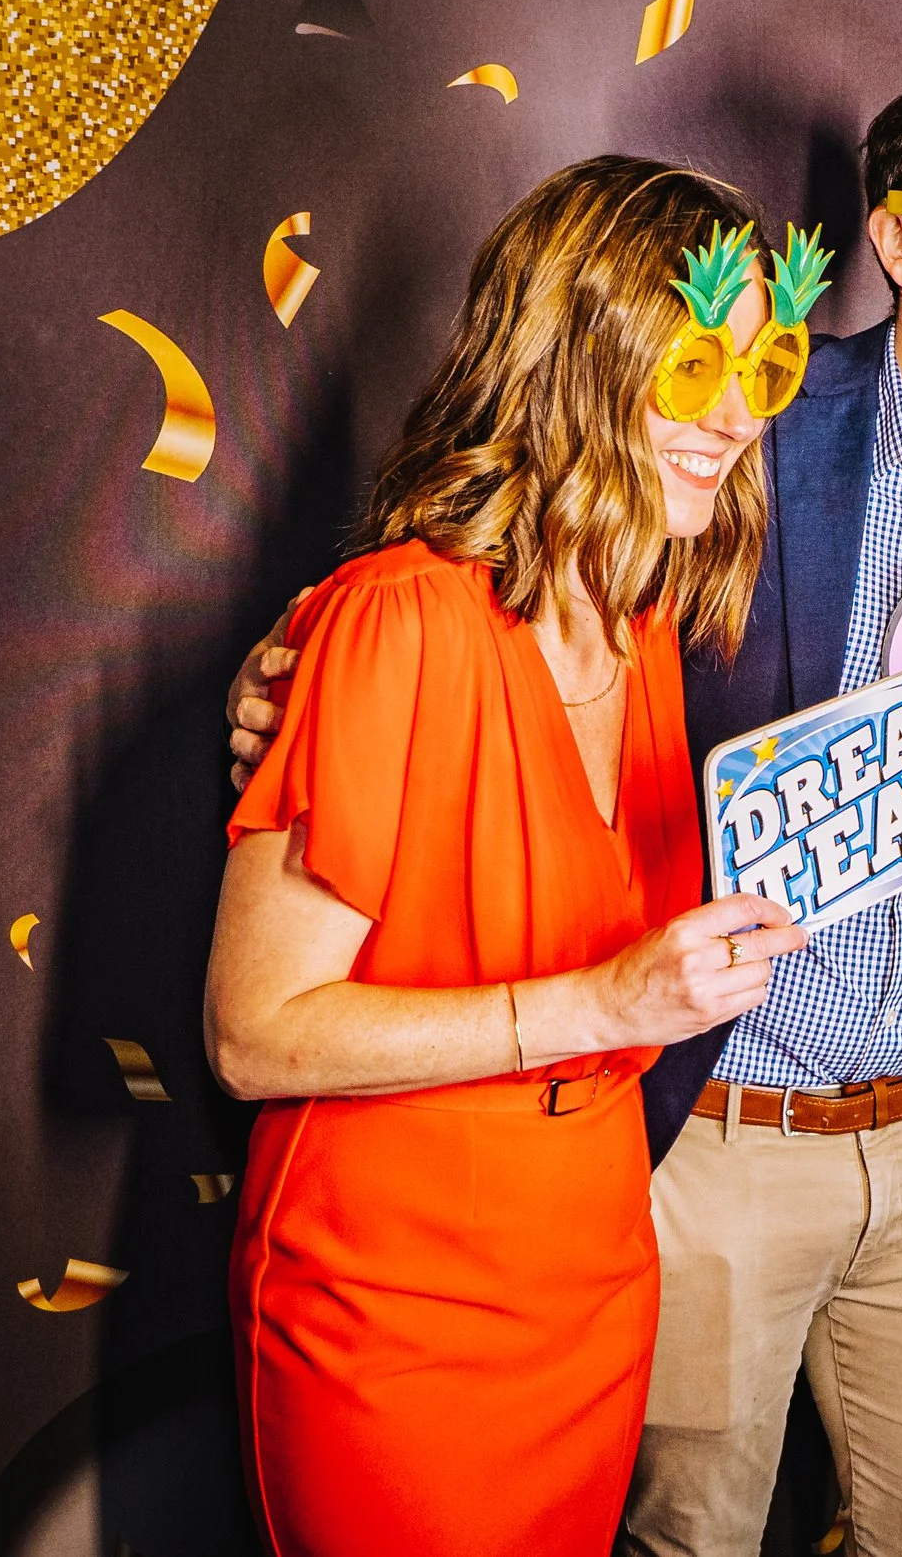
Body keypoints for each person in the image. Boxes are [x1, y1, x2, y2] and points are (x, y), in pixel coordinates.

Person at [226, 53, 902, 1556]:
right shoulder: (740, 420)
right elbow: (513, 561)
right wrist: (293, 663)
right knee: (683, 1533)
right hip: (710, 1126)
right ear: (899, 243)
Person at [204, 157, 816, 1556]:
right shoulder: (394, 620)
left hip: (593, 1283)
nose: (735, 419)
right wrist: (607, 1004)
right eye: (690, 370)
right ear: (572, 365)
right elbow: (253, 1031)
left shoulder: (643, 614)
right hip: (394, 1311)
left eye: (760, 365)